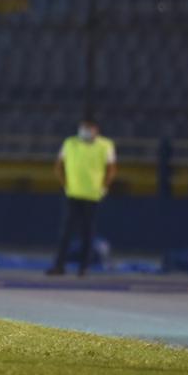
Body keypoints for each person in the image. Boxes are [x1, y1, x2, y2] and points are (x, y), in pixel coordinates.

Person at [46, 118, 116, 277]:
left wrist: (104, 186)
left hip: (92, 195)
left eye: (89, 129)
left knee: (88, 233)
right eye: (83, 128)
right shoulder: (70, 143)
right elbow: (58, 166)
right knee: (66, 232)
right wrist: (65, 184)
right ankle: (59, 266)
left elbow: (111, 169)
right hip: (72, 193)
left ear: (96, 130)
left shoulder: (105, 145)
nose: (85, 132)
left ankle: (84, 268)